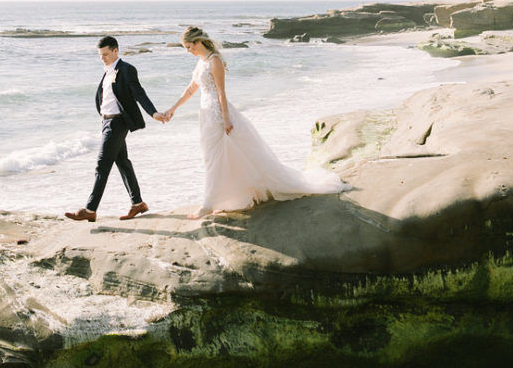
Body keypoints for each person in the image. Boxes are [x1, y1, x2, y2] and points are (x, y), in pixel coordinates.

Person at [163, 26, 346, 219]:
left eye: (189, 46)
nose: (187, 51)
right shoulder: (201, 62)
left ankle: (208, 204)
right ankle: (226, 199)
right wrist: (172, 109)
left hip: (217, 114)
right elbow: (191, 89)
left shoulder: (214, 60)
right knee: (217, 158)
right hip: (206, 114)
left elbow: (221, 92)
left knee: (216, 158)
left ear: (198, 42)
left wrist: (226, 119)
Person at [65, 36, 167, 223]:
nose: (102, 58)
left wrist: (153, 113)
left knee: (102, 165)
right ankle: (138, 204)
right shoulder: (108, 71)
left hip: (117, 123)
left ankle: (90, 209)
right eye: (100, 55)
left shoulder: (127, 69)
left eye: (105, 54)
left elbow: (139, 93)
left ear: (115, 51)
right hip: (106, 122)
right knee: (123, 163)